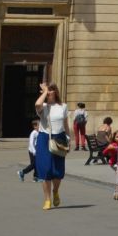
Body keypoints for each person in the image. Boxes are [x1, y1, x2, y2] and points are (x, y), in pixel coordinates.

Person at [34, 81, 69, 209]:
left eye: (51, 89)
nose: (49, 92)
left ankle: (55, 191)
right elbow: (37, 104)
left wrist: (68, 138)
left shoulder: (63, 106)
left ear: (55, 91)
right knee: (45, 169)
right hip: (44, 138)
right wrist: (44, 92)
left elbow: (66, 124)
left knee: (58, 171)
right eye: (47, 90)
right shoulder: (43, 106)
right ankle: (47, 199)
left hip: (59, 138)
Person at [18, 117, 41, 182]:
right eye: (39, 125)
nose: (40, 126)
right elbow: (31, 143)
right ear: (35, 126)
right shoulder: (33, 133)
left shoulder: (39, 132)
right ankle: (22, 172)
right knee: (34, 164)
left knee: (36, 164)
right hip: (32, 151)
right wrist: (34, 151)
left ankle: (35, 177)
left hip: (37, 150)